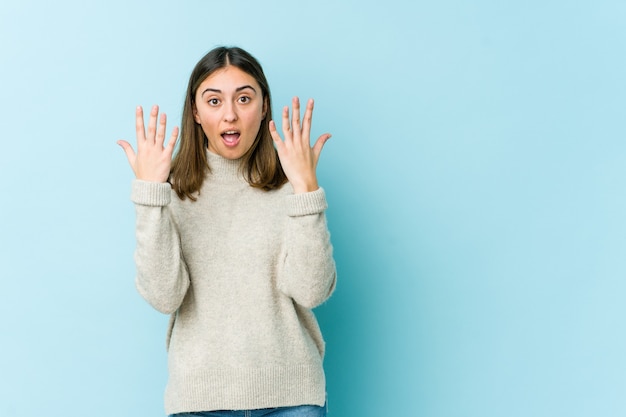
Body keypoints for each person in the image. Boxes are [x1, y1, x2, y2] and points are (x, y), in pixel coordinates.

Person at [117, 46, 336, 417]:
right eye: (214, 100)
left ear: (264, 106)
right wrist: (151, 198)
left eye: (244, 98)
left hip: (292, 400)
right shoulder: (170, 189)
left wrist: (306, 190)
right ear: (196, 112)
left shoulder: (293, 188)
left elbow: (311, 291)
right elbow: (164, 296)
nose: (230, 114)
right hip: (200, 403)